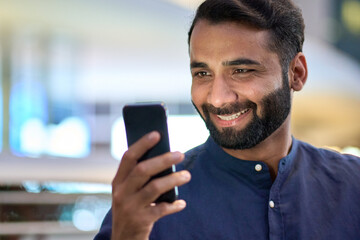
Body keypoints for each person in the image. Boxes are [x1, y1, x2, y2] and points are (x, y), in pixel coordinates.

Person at [95, 0, 360, 239]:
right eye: (202, 74)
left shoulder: (353, 185)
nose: (218, 98)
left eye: (242, 71)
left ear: (297, 73)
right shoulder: (148, 205)